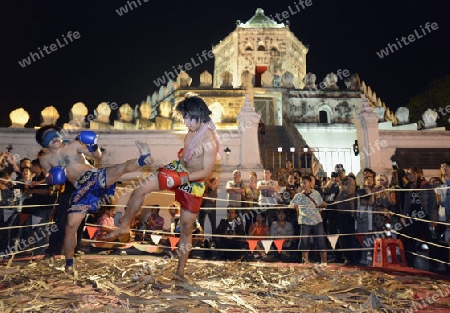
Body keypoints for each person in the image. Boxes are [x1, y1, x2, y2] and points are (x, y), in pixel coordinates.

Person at [104, 93, 219, 279]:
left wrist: (182, 179)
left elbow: (206, 172)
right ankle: (124, 226)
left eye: (189, 118)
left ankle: (180, 271)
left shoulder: (210, 142)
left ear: (199, 116)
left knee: (186, 227)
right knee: (140, 188)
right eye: (184, 118)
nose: (186, 122)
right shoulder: (192, 131)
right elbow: (185, 157)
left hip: (194, 181)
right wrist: (176, 170)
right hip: (178, 169)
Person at [36, 124, 152, 272]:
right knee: (70, 226)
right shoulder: (46, 159)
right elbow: (48, 178)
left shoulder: (74, 145)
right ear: (44, 143)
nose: (54, 138)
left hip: (94, 177)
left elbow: (97, 156)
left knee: (118, 168)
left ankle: (142, 159)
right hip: (80, 190)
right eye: (49, 137)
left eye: (55, 134)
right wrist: (52, 178)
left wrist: (93, 146)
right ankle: (69, 263)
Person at [290, 176, 328, 264]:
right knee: (304, 242)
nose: (303, 184)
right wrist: (293, 206)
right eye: (301, 182)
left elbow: (321, 203)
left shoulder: (316, 193)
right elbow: (290, 205)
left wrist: (328, 205)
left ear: (310, 183)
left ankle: (324, 262)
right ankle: (305, 262)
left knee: (321, 241)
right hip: (304, 221)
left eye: (304, 182)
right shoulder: (298, 196)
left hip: (317, 220)